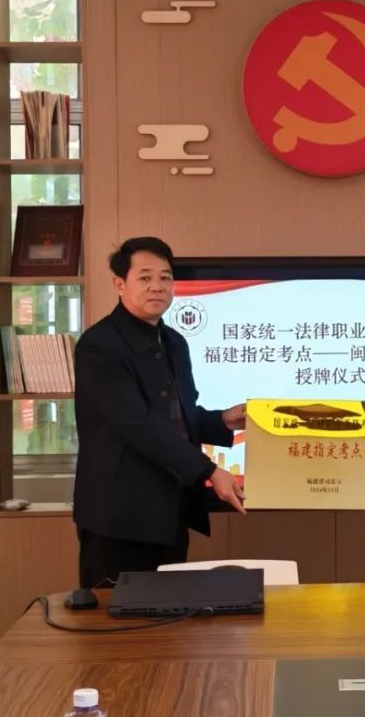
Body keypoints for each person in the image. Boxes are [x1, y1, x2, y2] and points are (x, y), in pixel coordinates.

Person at [73, 236, 246, 588]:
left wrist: (222, 421)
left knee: (168, 615)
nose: (157, 286)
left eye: (165, 277)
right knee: (113, 616)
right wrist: (209, 470)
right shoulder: (99, 346)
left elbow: (177, 417)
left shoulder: (174, 342)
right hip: (118, 517)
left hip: (169, 512)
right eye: (145, 277)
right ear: (120, 284)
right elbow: (138, 424)